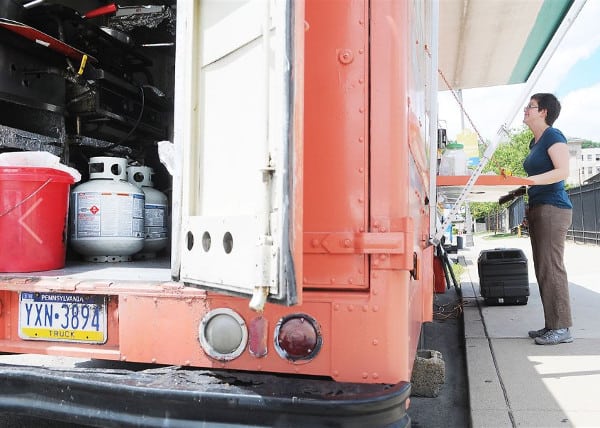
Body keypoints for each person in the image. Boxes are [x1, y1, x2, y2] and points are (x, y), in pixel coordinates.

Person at [522, 93, 573, 345]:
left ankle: (562, 328)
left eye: (530, 106)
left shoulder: (554, 136)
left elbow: (563, 171)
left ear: (543, 111)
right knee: (543, 268)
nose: (525, 110)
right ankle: (552, 324)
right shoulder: (535, 143)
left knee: (552, 268)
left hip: (553, 208)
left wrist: (529, 181)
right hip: (539, 207)